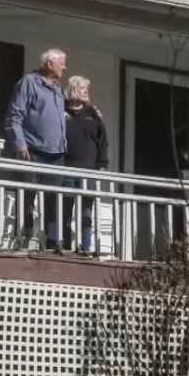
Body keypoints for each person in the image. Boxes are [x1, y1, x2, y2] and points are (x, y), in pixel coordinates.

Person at [5, 49, 68, 249]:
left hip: (56, 153)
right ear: (50, 63)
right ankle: (25, 238)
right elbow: (15, 116)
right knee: (27, 196)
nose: (64, 67)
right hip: (32, 149)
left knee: (54, 199)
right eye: (62, 63)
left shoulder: (58, 90)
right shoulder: (29, 83)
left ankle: (52, 242)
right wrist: (19, 142)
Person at [61, 76, 108, 253]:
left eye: (87, 88)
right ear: (72, 89)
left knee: (86, 210)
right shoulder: (61, 112)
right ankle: (65, 245)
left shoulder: (93, 114)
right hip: (67, 167)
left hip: (88, 169)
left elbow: (103, 141)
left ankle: (85, 247)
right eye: (81, 88)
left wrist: (102, 164)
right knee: (65, 208)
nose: (85, 91)